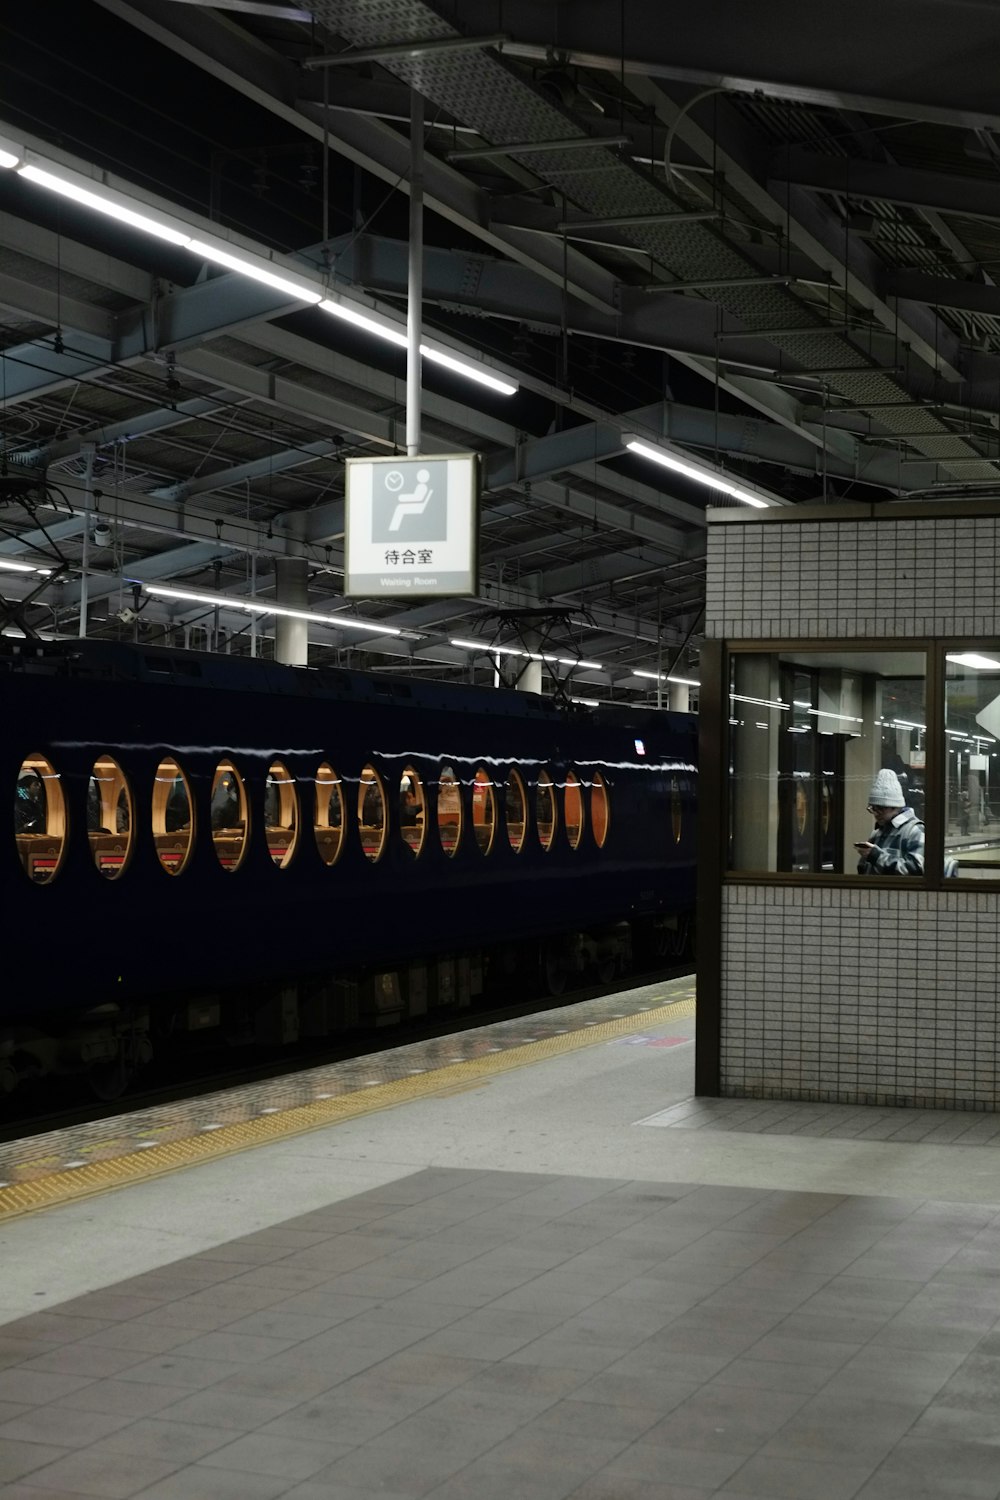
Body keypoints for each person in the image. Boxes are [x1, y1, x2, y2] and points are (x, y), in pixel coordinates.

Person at [855, 768, 924, 876]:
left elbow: (916, 870)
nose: (876, 813)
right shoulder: (878, 832)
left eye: (881, 808)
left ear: (896, 807)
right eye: (873, 808)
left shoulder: (915, 831)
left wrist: (876, 856)